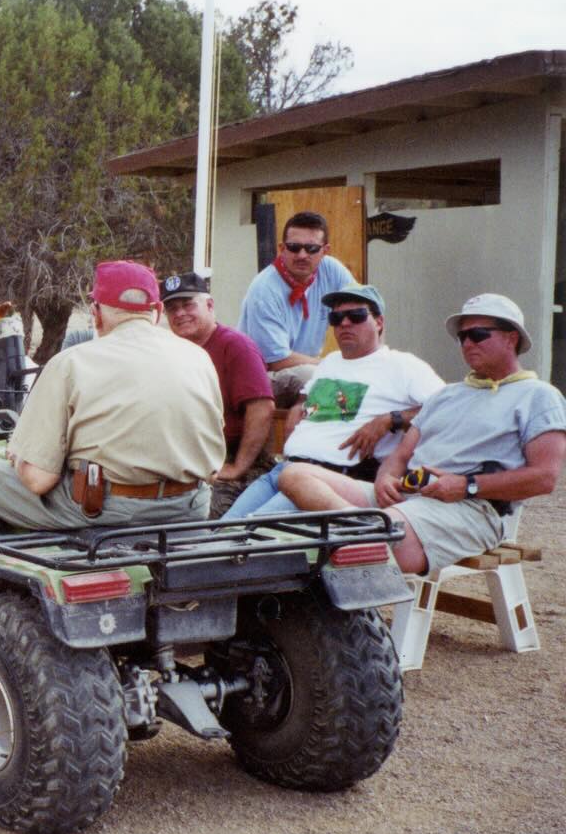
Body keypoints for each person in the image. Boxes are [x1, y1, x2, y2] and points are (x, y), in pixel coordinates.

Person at [0, 261, 223, 586]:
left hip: (106, 509)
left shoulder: (71, 362)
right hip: (189, 507)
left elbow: (38, 480)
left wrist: (19, 459)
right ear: (158, 311)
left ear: (97, 313)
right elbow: (214, 460)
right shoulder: (199, 358)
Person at [278, 293, 565, 575]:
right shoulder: (446, 395)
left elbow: (544, 478)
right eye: (462, 336)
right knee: (294, 475)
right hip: (407, 498)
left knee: (316, 547)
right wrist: (385, 478)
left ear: (511, 338)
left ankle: (367, 533)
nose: (467, 343)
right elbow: (401, 455)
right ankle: (365, 528)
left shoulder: (537, 396)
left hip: (469, 507)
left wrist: (466, 485)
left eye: (477, 335)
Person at [224, 285, 443, 518]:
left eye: (356, 316)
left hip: (328, 481)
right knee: (223, 529)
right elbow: (306, 397)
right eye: (336, 318)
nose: (345, 323)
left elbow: (446, 409)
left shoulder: (403, 365)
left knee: (249, 533)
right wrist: (298, 407)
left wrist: (391, 419)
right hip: (283, 470)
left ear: (379, 322)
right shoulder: (329, 362)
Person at [161, 272, 275, 517]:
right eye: (172, 309)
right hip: (186, 460)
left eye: (188, 305)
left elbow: (262, 408)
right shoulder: (171, 351)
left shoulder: (236, 346)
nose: (180, 313)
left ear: (210, 305)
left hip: (234, 460)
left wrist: (238, 467)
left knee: (196, 515)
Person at [238, 211, 358, 405]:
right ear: (282, 248)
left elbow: (368, 308)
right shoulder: (264, 290)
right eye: (294, 247)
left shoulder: (331, 270)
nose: (302, 255)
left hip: (307, 366)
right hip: (262, 376)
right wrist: (332, 364)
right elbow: (276, 361)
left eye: (311, 248)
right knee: (315, 378)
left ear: (325, 251)